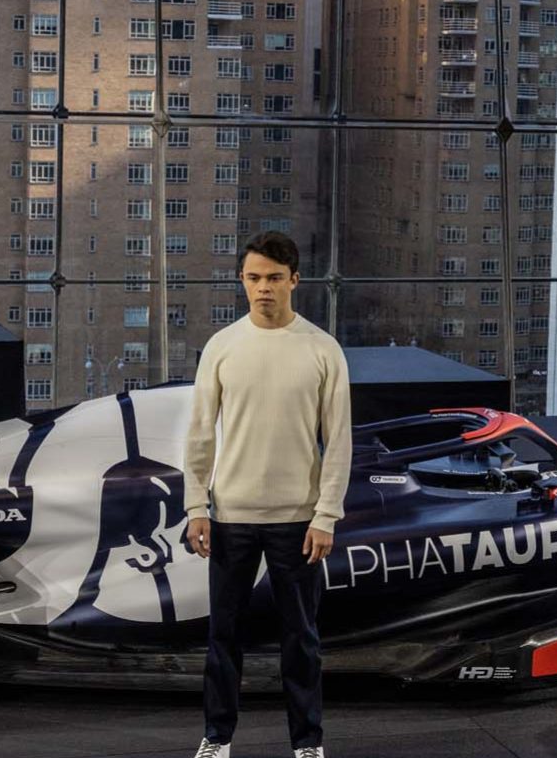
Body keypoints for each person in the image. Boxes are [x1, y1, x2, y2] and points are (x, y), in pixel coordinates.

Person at [182, 231, 351, 758]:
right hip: (230, 515)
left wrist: (326, 516)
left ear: (295, 281)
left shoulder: (323, 349)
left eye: (275, 278)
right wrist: (196, 506)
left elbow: (339, 440)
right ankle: (216, 738)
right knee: (222, 637)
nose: (264, 288)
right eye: (254, 278)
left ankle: (307, 743)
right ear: (242, 282)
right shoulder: (222, 347)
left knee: (300, 639)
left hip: (299, 522)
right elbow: (200, 434)